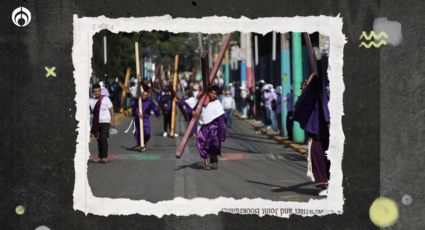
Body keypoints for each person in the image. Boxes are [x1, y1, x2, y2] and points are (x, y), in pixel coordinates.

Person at [293, 52, 330, 196]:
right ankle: (325, 184)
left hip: (330, 131)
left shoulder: (323, 92)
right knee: (317, 157)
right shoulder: (311, 95)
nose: (305, 87)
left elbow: (319, 77)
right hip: (318, 133)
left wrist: (319, 62)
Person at [193, 85, 227, 170]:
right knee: (200, 143)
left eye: (215, 94)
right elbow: (193, 112)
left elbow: (221, 122)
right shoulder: (202, 102)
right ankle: (205, 162)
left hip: (214, 129)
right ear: (208, 93)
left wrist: (223, 133)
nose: (213, 95)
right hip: (203, 127)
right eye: (211, 93)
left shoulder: (217, 105)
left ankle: (214, 159)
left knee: (214, 144)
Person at [89, 83, 115, 163]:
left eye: (98, 91)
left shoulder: (106, 99)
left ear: (100, 91)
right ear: (93, 92)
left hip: (105, 122)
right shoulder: (90, 101)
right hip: (96, 123)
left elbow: (112, 111)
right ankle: (100, 156)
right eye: (95, 91)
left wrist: (113, 121)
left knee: (103, 138)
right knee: (99, 139)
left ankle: (104, 157)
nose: (97, 93)